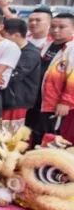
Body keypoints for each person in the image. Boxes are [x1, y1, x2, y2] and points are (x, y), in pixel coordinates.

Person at [30, 13, 74, 146]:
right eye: (53, 26)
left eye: (61, 27)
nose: (56, 30)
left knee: (50, 138)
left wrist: (66, 102)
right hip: (39, 99)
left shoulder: (71, 48)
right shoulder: (47, 44)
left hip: (55, 104)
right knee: (35, 133)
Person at [0, 18, 42, 131]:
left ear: (16, 35)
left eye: (3, 35)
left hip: (16, 101)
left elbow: (14, 74)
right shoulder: (11, 49)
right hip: (6, 99)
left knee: (10, 135)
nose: (1, 39)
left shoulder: (30, 54)